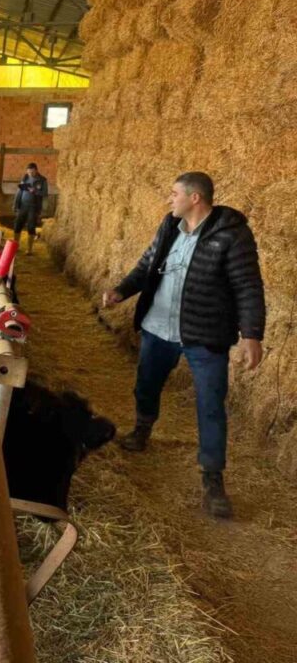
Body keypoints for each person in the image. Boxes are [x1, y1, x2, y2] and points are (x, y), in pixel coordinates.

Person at [103, 172, 265, 519]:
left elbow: (248, 286)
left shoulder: (232, 235)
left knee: (210, 404)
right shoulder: (169, 226)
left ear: (195, 198)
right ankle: (142, 429)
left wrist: (252, 335)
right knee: (146, 385)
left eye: (174, 193)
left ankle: (213, 478)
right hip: (158, 328)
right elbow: (147, 265)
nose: (169, 199)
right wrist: (121, 291)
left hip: (204, 334)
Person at [13, 163, 48, 255]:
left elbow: (45, 193)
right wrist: (15, 204)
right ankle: (15, 246)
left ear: (36, 170)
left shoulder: (42, 180)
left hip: (34, 207)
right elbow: (19, 192)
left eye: (32, 172)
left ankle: (29, 250)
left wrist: (35, 191)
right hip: (23, 205)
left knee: (31, 227)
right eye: (28, 172)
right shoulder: (25, 178)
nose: (30, 174)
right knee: (17, 225)